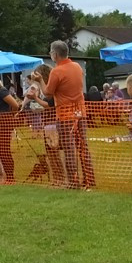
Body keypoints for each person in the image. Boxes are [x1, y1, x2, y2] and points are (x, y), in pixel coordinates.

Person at [37, 40, 95, 189]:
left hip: (65, 114)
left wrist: (39, 81)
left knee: (69, 148)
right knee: (83, 147)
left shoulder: (57, 71)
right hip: (80, 111)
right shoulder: (77, 67)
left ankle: (73, 181)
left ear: (55, 54)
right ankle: (90, 178)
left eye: (51, 53)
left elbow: (48, 93)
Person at [0, 71, 22, 183]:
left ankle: (11, 177)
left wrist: (10, 116)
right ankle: (8, 176)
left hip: (4, 124)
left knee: (4, 150)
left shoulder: (2, 91)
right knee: (0, 151)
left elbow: (15, 105)